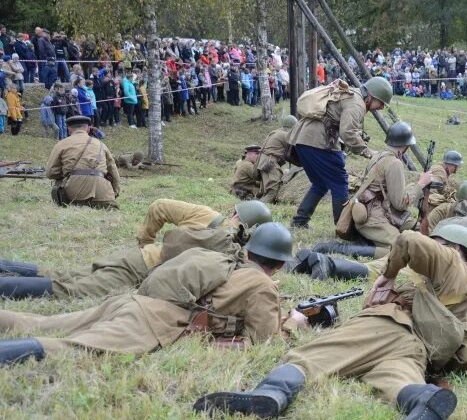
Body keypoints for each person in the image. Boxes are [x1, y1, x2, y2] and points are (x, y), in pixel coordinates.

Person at [194, 223, 467, 420]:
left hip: (384, 326)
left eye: (438, 241)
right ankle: (422, 399)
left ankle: (271, 393)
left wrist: (388, 276)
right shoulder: (463, 289)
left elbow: (408, 240)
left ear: (451, 245)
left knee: (308, 358)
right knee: (395, 380)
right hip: (416, 350)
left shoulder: (451, 262)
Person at [0, 223, 298, 366]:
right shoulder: (262, 285)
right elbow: (265, 342)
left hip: (132, 301)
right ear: (282, 264)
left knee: (42, 323)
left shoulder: (225, 261)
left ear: (249, 251)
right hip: (152, 320)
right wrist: (294, 323)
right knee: (74, 348)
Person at [0, 199, 272, 300]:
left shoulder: (208, 215)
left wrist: (146, 243)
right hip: (140, 271)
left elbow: (159, 207)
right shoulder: (234, 251)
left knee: (66, 274)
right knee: (71, 290)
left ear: (237, 213)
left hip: (138, 258)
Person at [311, 121, 426, 259]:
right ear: (406, 145)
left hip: (377, 213)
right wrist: (420, 185)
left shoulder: (379, 156)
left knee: (419, 231)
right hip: (373, 219)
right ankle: (340, 249)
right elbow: (400, 204)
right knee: (400, 249)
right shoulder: (394, 163)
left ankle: (368, 242)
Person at [288, 76, 392, 228]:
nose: (381, 107)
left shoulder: (351, 94)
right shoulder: (357, 104)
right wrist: (367, 151)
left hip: (303, 139)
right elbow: (348, 133)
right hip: (318, 140)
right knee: (340, 182)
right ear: (371, 96)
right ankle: (342, 227)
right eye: (381, 103)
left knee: (320, 183)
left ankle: (299, 221)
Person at [46, 115, 120, 208]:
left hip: (73, 196)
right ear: (88, 129)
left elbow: (51, 173)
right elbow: (113, 172)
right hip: (103, 196)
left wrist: (69, 174)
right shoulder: (101, 145)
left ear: (69, 129)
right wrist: (114, 193)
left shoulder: (61, 144)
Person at [256, 115, 297, 203]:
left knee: (265, 192)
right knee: (272, 191)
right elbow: (295, 150)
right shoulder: (286, 135)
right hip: (270, 162)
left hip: (264, 162)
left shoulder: (276, 132)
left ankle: (256, 205)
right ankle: (256, 209)